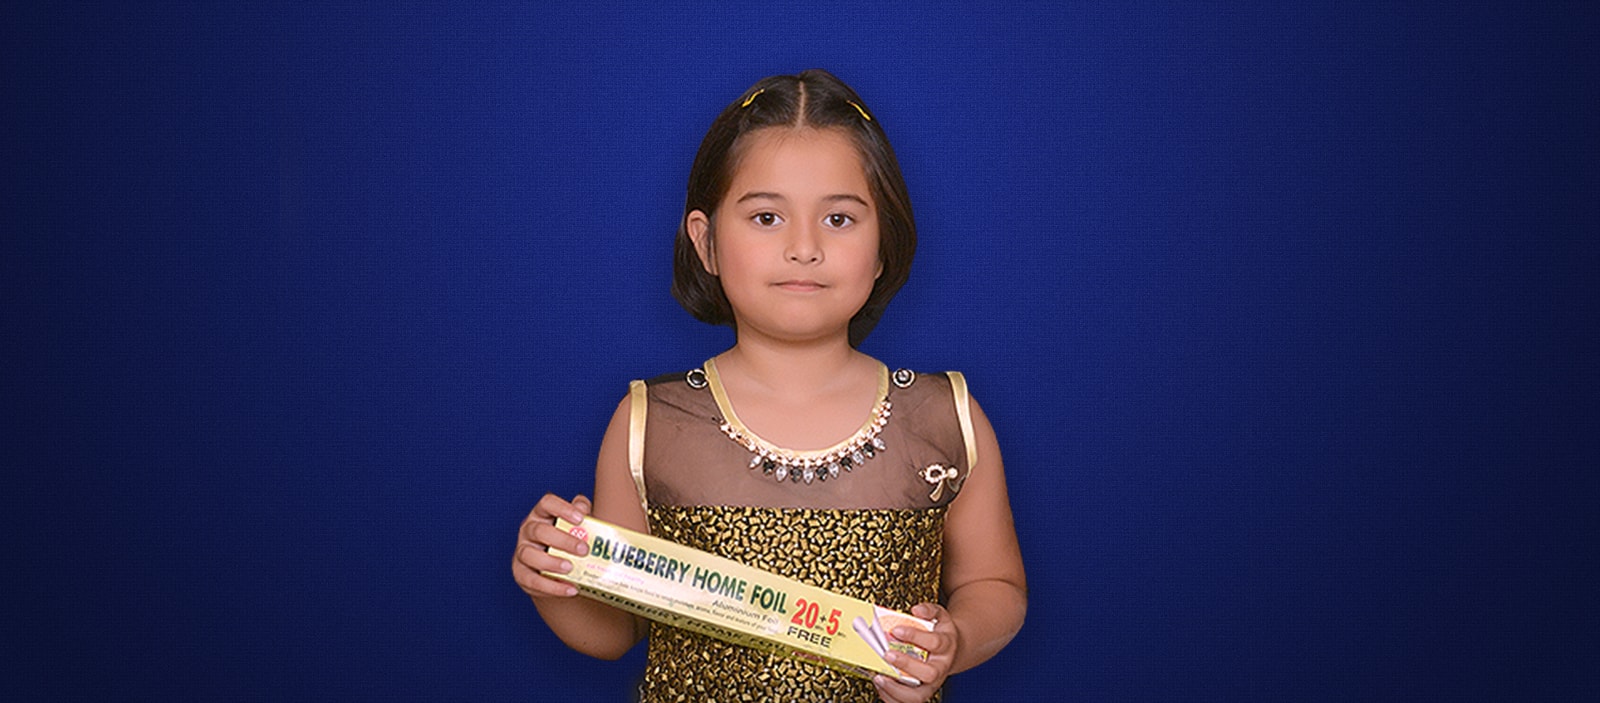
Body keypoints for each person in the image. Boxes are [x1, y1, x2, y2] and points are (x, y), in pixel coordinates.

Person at [512, 69, 1026, 703]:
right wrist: (555, 582)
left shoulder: (946, 418)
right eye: (766, 217)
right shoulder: (650, 423)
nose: (804, 247)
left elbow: (996, 586)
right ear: (706, 242)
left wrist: (955, 640)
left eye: (838, 218)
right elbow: (617, 630)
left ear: (883, 245)